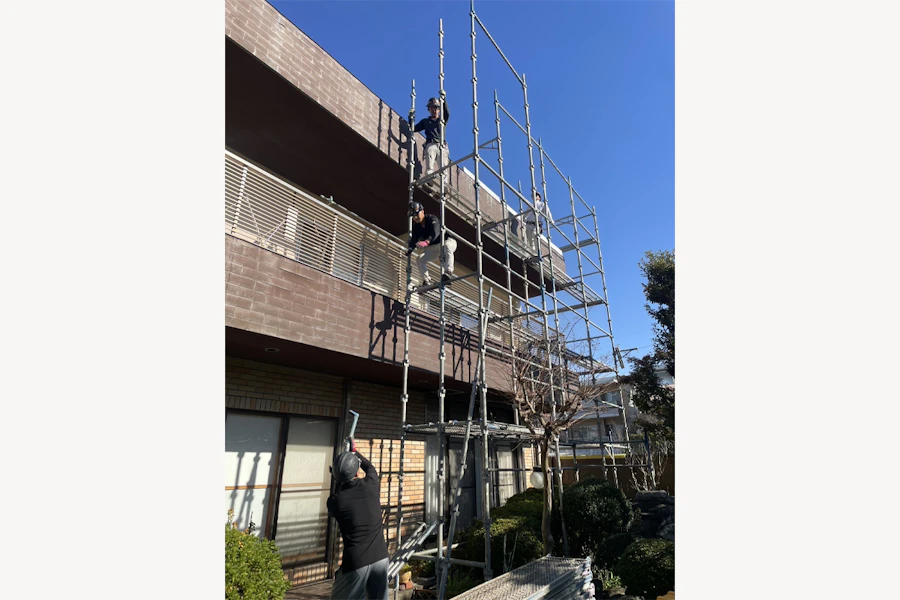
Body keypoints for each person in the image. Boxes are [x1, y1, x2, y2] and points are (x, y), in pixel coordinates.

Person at [327, 437, 390, 600]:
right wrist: (355, 452)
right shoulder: (371, 485)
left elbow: (338, 493)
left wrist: (339, 476)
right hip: (380, 557)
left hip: (356, 562)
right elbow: (369, 467)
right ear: (356, 471)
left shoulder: (336, 502)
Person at [407, 201, 457, 287]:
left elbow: (435, 232)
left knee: (447, 246)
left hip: (447, 241)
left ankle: (448, 272)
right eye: (413, 216)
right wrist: (410, 249)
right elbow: (414, 239)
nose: (415, 217)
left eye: (417, 214)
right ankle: (426, 281)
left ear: (422, 211)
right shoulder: (417, 227)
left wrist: (427, 241)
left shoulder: (431, 219)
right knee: (420, 259)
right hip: (435, 248)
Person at [412, 94, 450, 187]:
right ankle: (429, 180)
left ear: (439, 109)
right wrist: (410, 119)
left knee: (443, 167)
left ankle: (444, 185)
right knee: (429, 164)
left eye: (436, 108)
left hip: (441, 145)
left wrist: (444, 100)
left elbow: (447, 113)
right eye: (432, 108)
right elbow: (413, 128)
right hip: (431, 144)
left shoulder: (441, 120)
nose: (434, 110)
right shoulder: (426, 122)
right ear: (429, 109)